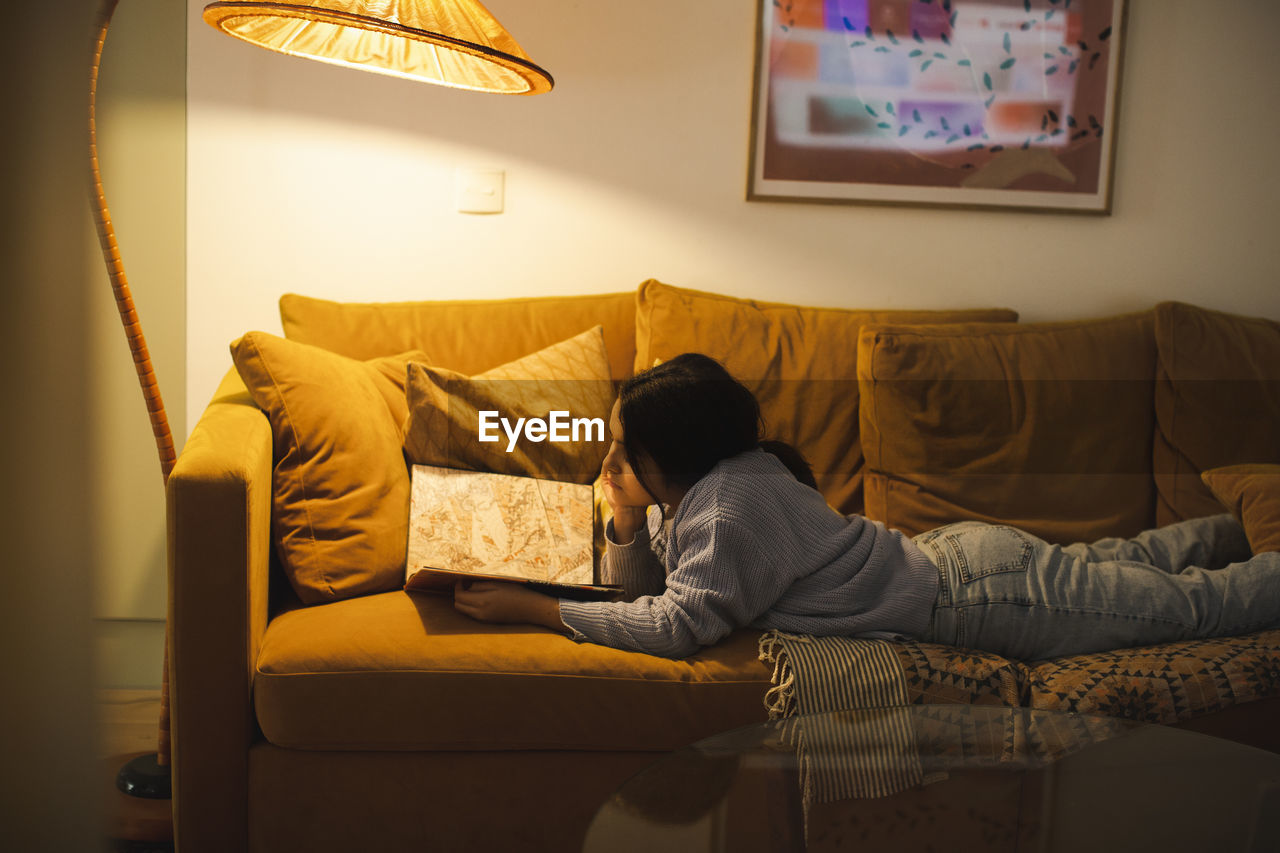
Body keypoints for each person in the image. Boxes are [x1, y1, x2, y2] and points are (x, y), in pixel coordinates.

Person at [453, 353, 1280, 660]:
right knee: (1124, 563)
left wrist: (536, 608)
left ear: (673, 458)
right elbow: (649, 590)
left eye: (624, 453)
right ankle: (1240, 519)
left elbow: (675, 626)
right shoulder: (719, 481)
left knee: (1189, 611)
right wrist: (626, 520)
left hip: (979, 595)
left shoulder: (727, 508)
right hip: (965, 561)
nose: (609, 463)